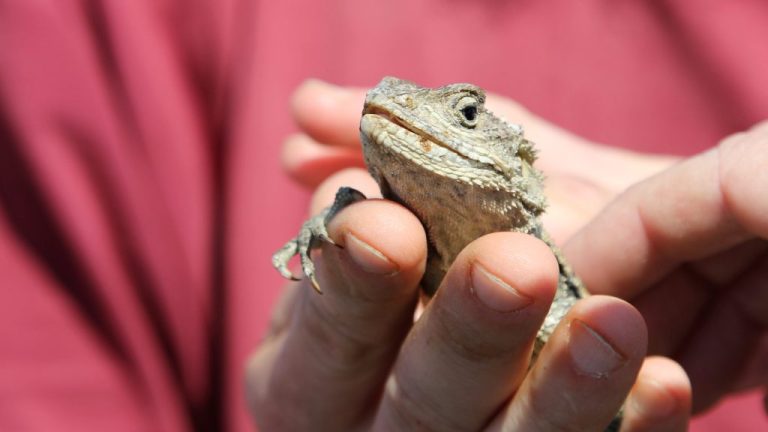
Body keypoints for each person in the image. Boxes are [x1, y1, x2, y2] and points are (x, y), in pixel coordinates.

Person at [1, 1, 765, 431]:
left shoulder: (559, 275)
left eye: (464, 114)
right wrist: (323, 226)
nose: (403, 115)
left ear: (514, 161)